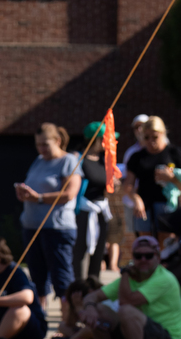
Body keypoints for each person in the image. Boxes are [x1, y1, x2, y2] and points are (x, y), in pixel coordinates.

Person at [80, 235, 181, 339]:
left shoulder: (164, 279)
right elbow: (92, 296)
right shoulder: (129, 279)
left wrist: (125, 272)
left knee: (126, 311)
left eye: (149, 255)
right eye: (138, 256)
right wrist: (90, 308)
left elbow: (126, 302)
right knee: (100, 310)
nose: (144, 260)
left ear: (158, 258)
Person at [15, 123, 80, 320]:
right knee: (37, 276)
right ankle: (39, 317)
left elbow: (69, 193)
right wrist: (24, 194)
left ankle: (67, 320)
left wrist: (39, 198)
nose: (41, 149)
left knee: (61, 276)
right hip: (32, 225)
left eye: (45, 144)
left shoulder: (69, 161)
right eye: (38, 145)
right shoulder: (38, 161)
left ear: (58, 141)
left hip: (57, 227)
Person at [122, 116, 181, 238]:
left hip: (169, 205)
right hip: (144, 206)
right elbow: (128, 185)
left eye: (155, 137)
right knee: (145, 241)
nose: (151, 141)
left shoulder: (174, 154)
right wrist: (136, 199)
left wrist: (171, 179)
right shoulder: (137, 157)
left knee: (166, 242)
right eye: (146, 137)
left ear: (163, 134)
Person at [73, 121, 114, 285]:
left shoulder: (105, 160)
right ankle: (79, 287)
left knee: (98, 251)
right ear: (96, 139)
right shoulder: (78, 159)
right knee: (81, 251)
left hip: (101, 211)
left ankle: (94, 288)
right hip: (83, 211)